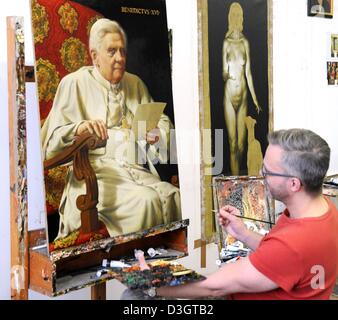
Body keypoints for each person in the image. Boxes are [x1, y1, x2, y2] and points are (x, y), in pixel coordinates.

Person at [155, 129, 338, 300]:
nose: (260, 174)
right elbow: (280, 258)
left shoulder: (293, 244)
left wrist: (151, 285)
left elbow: (213, 287)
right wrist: (243, 233)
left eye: (267, 171)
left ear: (294, 184)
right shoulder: (324, 210)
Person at [41, 18, 181, 239]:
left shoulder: (134, 83)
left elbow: (161, 120)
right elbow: (50, 144)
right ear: (95, 56)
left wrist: (156, 134)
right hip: (97, 177)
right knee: (147, 201)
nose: (120, 59)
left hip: (135, 169)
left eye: (123, 51)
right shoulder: (74, 83)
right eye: (112, 51)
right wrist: (80, 128)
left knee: (174, 197)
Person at [222, 2, 261, 176]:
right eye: (234, 15)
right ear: (230, 17)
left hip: (243, 95)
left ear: (242, 18)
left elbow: (249, 74)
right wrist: (226, 72)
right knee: (232, 144)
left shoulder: (245, 42)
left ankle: (241, 182)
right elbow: (223, 73)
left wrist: (255, 100)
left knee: (241, 145)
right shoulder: (226, 43)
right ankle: (233, 186)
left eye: (239, 15)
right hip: (229, 96)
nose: (236, 18)